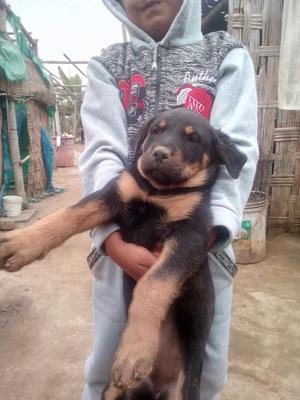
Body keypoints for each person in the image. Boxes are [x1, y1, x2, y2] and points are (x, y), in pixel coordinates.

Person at [79, 1, 259, 399]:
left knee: (199, 374)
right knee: (110, 369)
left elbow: (237, 151)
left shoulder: (225, 54)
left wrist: (208, 231)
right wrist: (109, 237)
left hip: (202, 253)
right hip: (122, 247)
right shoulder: (109, 63)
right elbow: (101, 152)